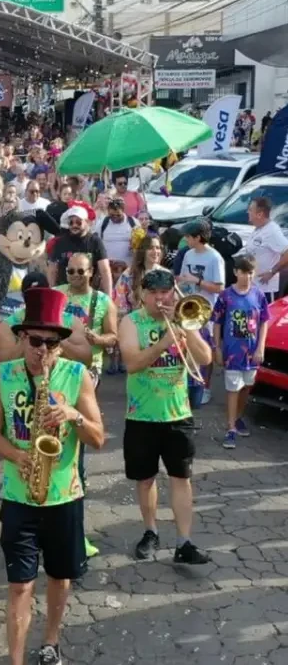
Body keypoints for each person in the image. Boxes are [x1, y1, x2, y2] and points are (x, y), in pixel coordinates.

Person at [0, 287, 104, 665]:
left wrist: (73, 415)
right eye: (36, 341)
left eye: (53, 343)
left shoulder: (76, 374)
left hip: (65, 496)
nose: (43, 351)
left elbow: (99, 438)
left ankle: (50, 640)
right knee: (19, 585)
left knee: (59, 576)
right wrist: (18, 458)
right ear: (22, 338)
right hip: (19, 496)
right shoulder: (5, 375)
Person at [118, 268, 212, 565]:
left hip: (177, 414)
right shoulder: (131, 322)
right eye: (154, 293)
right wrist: (162, 345)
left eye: (166, 292)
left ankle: (184, 542)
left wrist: (187, 330)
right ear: (143, 295)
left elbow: (206, 358)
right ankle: (150, 532)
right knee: (145, 480)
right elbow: (132, 363)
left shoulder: (183, 319)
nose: (161, 299)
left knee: (181, 478)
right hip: (142, 416)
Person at [211, 255, 270, 449]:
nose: (247, 277)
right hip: (232, 352)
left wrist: (261, 346)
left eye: (250, 273)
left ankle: (238, 417)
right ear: (236, 272)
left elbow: (264, 322)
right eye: (243, 272)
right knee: (232, 388)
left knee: (246, 386)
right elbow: (217, 323)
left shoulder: (259, 295)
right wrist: (217, 347)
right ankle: (230, 428)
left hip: (252, 353)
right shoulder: (226, 296)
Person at [176, 220, 225, 406]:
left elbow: (219, 288)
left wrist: (196, 281)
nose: (185, 240)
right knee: (187, 347)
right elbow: (183, 278)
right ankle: (189, 383)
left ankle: (205, 386)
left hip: (207, 311)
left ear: (198, 237)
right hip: (188, 308)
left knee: (205, 349)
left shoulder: (214, 258)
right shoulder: (188, 254)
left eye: (188, 237)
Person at [57, 254, 117, 386]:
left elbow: (113, 337)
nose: (75, 275)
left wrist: (98, 339)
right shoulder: (56, 295)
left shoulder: (104, 301)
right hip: (57, 365)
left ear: (91, 272)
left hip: (88, 369)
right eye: (71, 271)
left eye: (80, 271)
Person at [48, 207, 112, 295]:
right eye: (71, 222)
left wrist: (108, 298)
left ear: (87, 222)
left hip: (88, 295)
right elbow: (52, 270)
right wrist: (53, 293)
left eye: (78, 222)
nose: (74, 225)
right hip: (65, 294)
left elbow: (105, 270)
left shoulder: (95, 241)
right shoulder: (60, 242)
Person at [237, 197, 288, 303]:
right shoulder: (258, 228)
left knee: (265, 319)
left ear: (259, 214)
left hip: (266, 290)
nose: (248, 212)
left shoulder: (272, 231)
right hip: (253, 286)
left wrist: (272, 272)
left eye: (250, 210)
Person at [97, 198, 137, 267]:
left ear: (123, 211)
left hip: (128, 267)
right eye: (112, 215)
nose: (115, 218)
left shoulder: (133, 223)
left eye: (118, 215)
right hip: (108, 267)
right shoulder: (103, 223)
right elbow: (96, 241)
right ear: (108, 212)